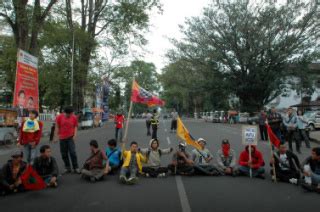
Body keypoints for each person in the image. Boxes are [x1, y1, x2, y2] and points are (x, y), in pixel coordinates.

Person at [54, 106, 80, 174]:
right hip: (62, 138)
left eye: (72, 114)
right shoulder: (59, 117)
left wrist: (75, 135)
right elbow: (57, 127)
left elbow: (75, 126)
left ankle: (76, 167)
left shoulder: (74, 117)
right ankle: (67, 167)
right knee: (64, 154)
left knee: (72, 152)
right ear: (65, 113)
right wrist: (55, 136)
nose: (71, 115)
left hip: (70, 137)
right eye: (70, 114)